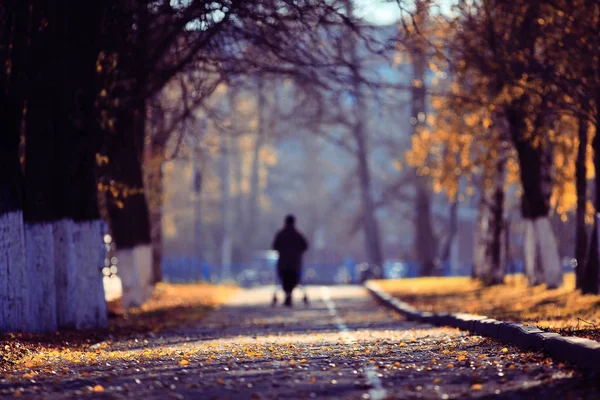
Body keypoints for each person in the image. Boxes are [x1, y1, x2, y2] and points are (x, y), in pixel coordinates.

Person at [272, 214, 309, 307]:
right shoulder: (298, 234)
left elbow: (274, 246)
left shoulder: (280, 234)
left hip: (283, 264)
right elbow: (305, 246)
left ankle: (287, 294)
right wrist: (297, 252)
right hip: (295, 264)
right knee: (293, 279)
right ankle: (289, 294)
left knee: (284, 279)